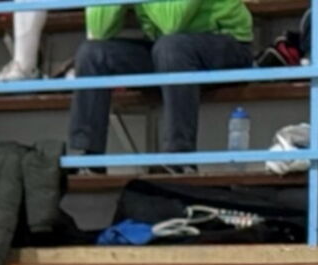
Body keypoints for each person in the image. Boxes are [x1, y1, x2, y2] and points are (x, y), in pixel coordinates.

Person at [68, 1, 254, 164]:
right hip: (167, 51)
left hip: (227, 42)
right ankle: (88, 157)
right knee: (91, 54)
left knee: (171, 47)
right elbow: (98, 31)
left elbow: (172, 21)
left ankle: (179, 158)